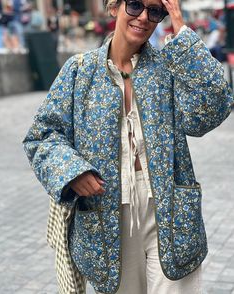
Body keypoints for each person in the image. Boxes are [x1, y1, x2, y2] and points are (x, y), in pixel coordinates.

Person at [23, 0, 234, 293]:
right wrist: (73, 171)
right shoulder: (79, 71)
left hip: (170, 210)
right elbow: (42, 135)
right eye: (135, 5)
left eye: (155, 11)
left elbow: (212, 108)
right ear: (114, 7)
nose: (144, 17)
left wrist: (182, 33)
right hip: (106, 213)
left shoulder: (168, 69)